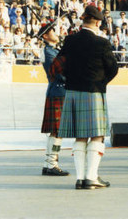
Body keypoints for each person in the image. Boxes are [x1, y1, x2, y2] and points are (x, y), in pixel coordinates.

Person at [56, 6, 119, 190]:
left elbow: (59, 66)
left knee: (80, 136)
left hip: (73, 91)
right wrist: (101, 82)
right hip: (94, 91)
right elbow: (113, 69)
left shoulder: (70, 40)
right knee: (97, 135)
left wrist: (71, 80)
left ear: (83, 20)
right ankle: (91, 177)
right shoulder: (102, 42)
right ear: (98, 22)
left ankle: (80, 178)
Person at [38, 23, 69, 176]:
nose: (56, 33)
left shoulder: (54, 50)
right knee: (57, 131)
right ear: (45, 36)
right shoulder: (49, 52)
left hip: (59, 91)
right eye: (52, 31)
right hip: (58, 91)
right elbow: (60, 73)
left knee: (57, 131)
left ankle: (49, 163)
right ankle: (51, 164)